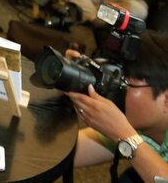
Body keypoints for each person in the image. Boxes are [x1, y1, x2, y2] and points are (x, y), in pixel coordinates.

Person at [68, 30, 168, 182]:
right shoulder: (139, 128)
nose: (115, 90)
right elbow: (63, 153)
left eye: (126, 84)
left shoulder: (128, 130)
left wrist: (125, 136)